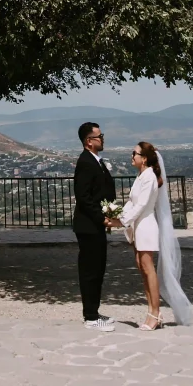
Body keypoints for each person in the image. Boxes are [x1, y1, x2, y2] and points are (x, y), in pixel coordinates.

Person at [118, 140, 193, 330]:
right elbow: (131, 202)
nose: (131, 156)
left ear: (143, 159)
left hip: (146, 226)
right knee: (143, 268)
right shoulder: (141, 176)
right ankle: (153, 310)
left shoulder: (149, 177)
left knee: (148, 268)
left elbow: (142, 205)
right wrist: (118, 215)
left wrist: (122, 221)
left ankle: (154, 312)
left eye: (134, 153)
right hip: (138, 226)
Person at [72, 122, 117, 331]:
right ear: (89, 141)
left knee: (98, 269)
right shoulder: (86, 163)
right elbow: (84, 197)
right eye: (99, 136)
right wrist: (102, 218)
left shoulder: (95, 161)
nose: (103, 139)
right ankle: (90, 316)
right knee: (91, 270)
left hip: (94, 225)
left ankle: (94, 311)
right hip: (88, 226)